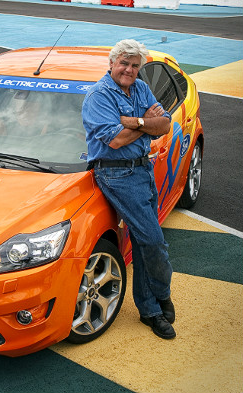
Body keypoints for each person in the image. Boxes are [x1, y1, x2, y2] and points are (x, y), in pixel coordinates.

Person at [82, 39, 176, 339]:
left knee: (143, 240)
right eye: (124, 63)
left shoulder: (140, 88)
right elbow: (115, 141)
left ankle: (149, 308)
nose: (130, 70)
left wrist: (134, 121)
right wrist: (145, 123)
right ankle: (160, 298)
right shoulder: (98, 96)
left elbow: (164, 125)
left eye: (135, 66)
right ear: (111, 64)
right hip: (117, 174)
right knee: (153, 241)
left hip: (143, 168)